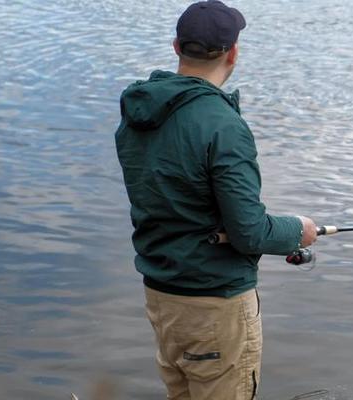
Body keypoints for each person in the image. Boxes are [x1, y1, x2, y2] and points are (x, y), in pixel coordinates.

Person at [114, 1, 317, 399]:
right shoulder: (222, 124)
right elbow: (249, 233)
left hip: (161, 295)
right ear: (233, 53)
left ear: (177, 47)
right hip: (214, 303)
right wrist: (299, 230)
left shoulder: (138, 113)